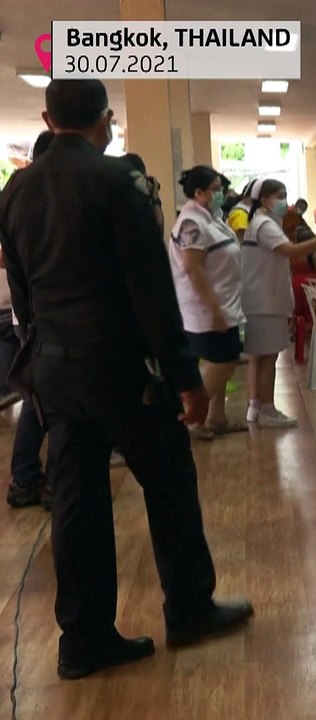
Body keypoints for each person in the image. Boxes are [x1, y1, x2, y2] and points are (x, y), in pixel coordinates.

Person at [0, 79, 252, 679]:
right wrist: (185, 375)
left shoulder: (15, 190)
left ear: (46, 118)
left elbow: (23, 292)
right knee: (168, 478)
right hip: (116, 365)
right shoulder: (119, 183)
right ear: (107, 121)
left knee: (77, 501)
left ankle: (84, 639)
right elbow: (151, 291)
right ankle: (188, 608)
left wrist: (39, 357)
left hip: (54, 368)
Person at [241, 179, 316, 428]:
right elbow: (291, 251)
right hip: (265, 300)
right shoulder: (265, 224)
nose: (284, 201)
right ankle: (267, 409)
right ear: (264, 200)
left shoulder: (262, 223)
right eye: (279, 196)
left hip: (260, 298)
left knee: (258, 356)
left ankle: (255, 407)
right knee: (268, 357)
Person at [168, 165, 247, 440]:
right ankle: (190, 415)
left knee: (221, 358)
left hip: (224, 302)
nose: (220, 194)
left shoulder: (211, 217)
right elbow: (193, 269)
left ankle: (215, 417)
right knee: (224, 361)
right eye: (215, 189)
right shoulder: (192, 222)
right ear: (198, 192)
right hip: (206, 308)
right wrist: (214, 309)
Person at [3, 130, 55, 511]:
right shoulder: (36, 192)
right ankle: (27, 478)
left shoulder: (15, 190)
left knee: (42, 398)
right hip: (42, 317)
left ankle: (32, 478)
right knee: (42, 399)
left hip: (31, 314)